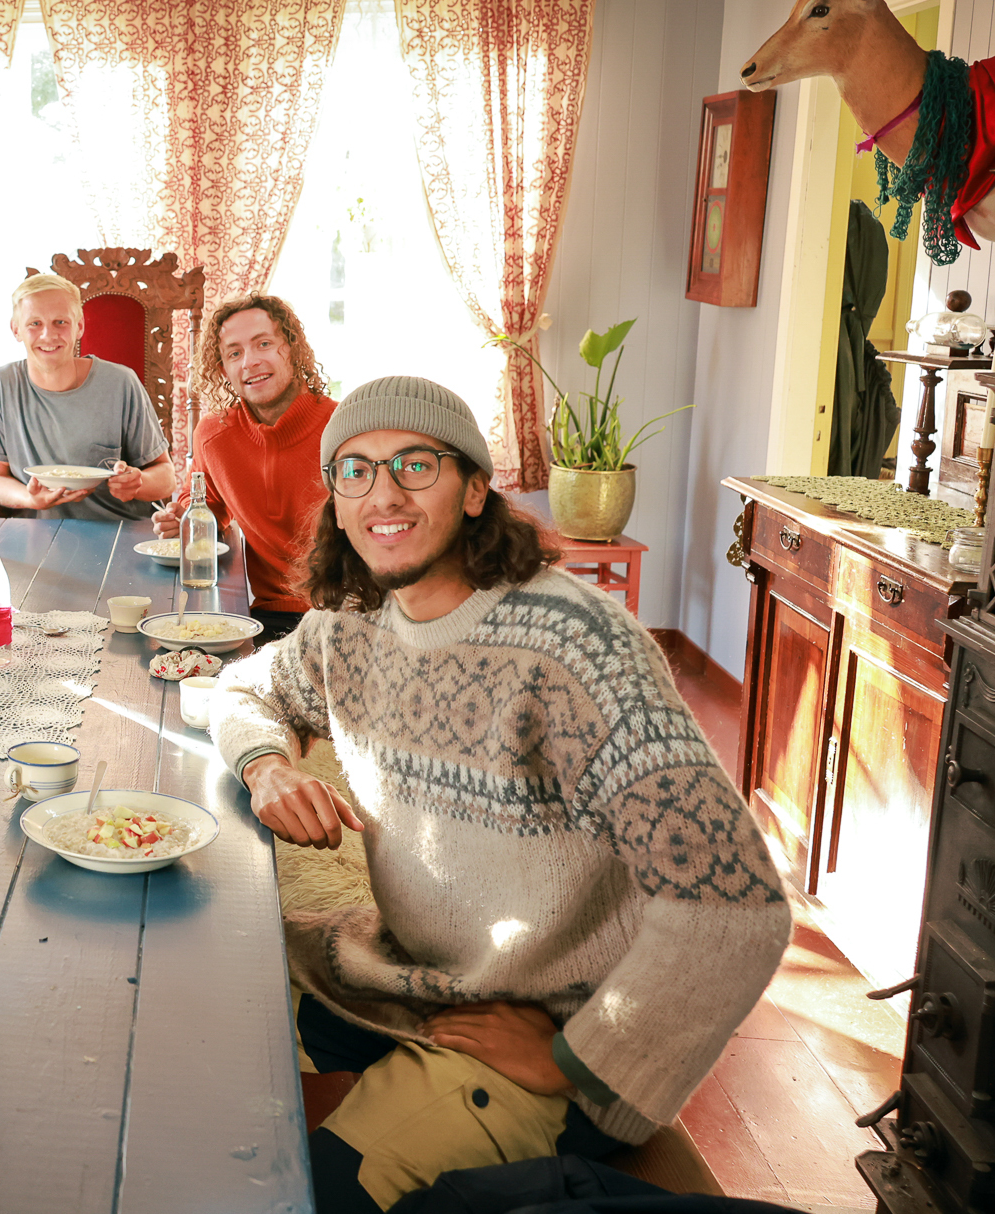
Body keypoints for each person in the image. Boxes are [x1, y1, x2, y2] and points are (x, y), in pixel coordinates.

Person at [210, 376, 789, 1214]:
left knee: (309, 1194)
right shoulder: (350, 622)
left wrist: (574, 1058)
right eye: (356, 472)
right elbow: (242, 688)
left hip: (543, 1029)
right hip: (418, 976)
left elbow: (735, 907)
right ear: (334, 501)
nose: (385, 495)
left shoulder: (574, 646)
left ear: (477, 489)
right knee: (213, 1007)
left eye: (416, 465)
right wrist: (267, 765)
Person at [152, 294, 336, 641]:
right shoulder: (212, 435)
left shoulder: (344, 428)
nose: (249, 362)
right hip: (273, 618)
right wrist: (182, 521)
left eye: (263, 344)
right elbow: (206, 510)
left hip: (352, 612)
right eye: (234, 353)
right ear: (223, 370)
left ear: (292, 349)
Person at [0, 273, 173, 519]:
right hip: (35, 537)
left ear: (79, 327)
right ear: (16, 330)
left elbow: (166, 477)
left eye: (60, 322)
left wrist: (138, 482)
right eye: (34, 323)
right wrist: (29, 498)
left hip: (118, 531)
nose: (48, 335)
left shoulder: (121, 383)